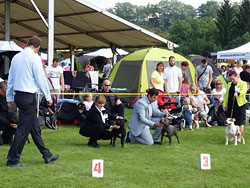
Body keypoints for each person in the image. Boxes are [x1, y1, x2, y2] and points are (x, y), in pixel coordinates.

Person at [6, 36, 59, 167]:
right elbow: (41, 79)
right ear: (38, 47)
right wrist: (48, 96)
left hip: (18, 95)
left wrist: (10, 98)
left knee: (34, 127)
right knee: (23, 130)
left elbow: (11, 79)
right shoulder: (35, 58)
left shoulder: (16, 57)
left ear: (28, 44)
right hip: (29, 96)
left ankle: (46, 154)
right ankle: (12, 160)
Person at [223, 70, 248, 142]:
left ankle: (240, 137)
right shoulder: (229, 84)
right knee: (231, 121)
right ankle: (233, 136)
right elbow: (226, 95)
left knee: (239, 122)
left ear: (237, 77)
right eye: (231, 79)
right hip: (231, 105)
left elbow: (244, 91)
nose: (232, 81)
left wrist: (238, 93)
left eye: (233, 79)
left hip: (240, 105)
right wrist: (225, 104)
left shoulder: (243, 83)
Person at [0, 80, 17, 145]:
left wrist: (13, 122)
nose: (5, 93)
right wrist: (9, 123)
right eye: (4, 92)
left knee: (8, 142)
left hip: (7, 123)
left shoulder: (7, 98)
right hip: (3, 121)